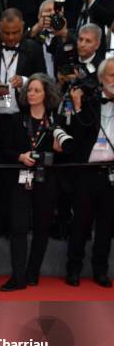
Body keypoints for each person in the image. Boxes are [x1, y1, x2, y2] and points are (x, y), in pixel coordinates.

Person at [0, 7, 46, 238]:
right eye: (6, 33)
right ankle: (0, 224)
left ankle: (23, 225)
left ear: (23, 28)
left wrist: (25, 81)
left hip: (21, 119)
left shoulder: (33, 49)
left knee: (23, 173)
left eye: (15, 33)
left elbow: (42, 79)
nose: (11, 38)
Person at [0, 74, 64, 291]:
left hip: (46, 181)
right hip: (21, 179)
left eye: (36, 90)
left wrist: (58, 150)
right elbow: (4, 149)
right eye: (29, 90)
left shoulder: (56, 122)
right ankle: (18, 277)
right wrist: (20, 156)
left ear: (47, 94)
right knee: (18, 227)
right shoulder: (17, 119)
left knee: (41, 228)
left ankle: (32, 273)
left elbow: (68, 153)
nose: (32, 94)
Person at [66, 58, 114, 288]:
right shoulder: (91, 102)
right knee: (80, 224)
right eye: (112, 76)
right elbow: (79, 133)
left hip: (111, 174)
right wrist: (77, 106)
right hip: (86, 172)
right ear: (102, 79)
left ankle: (100, 270)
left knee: (106, 226)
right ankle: (73, 269)